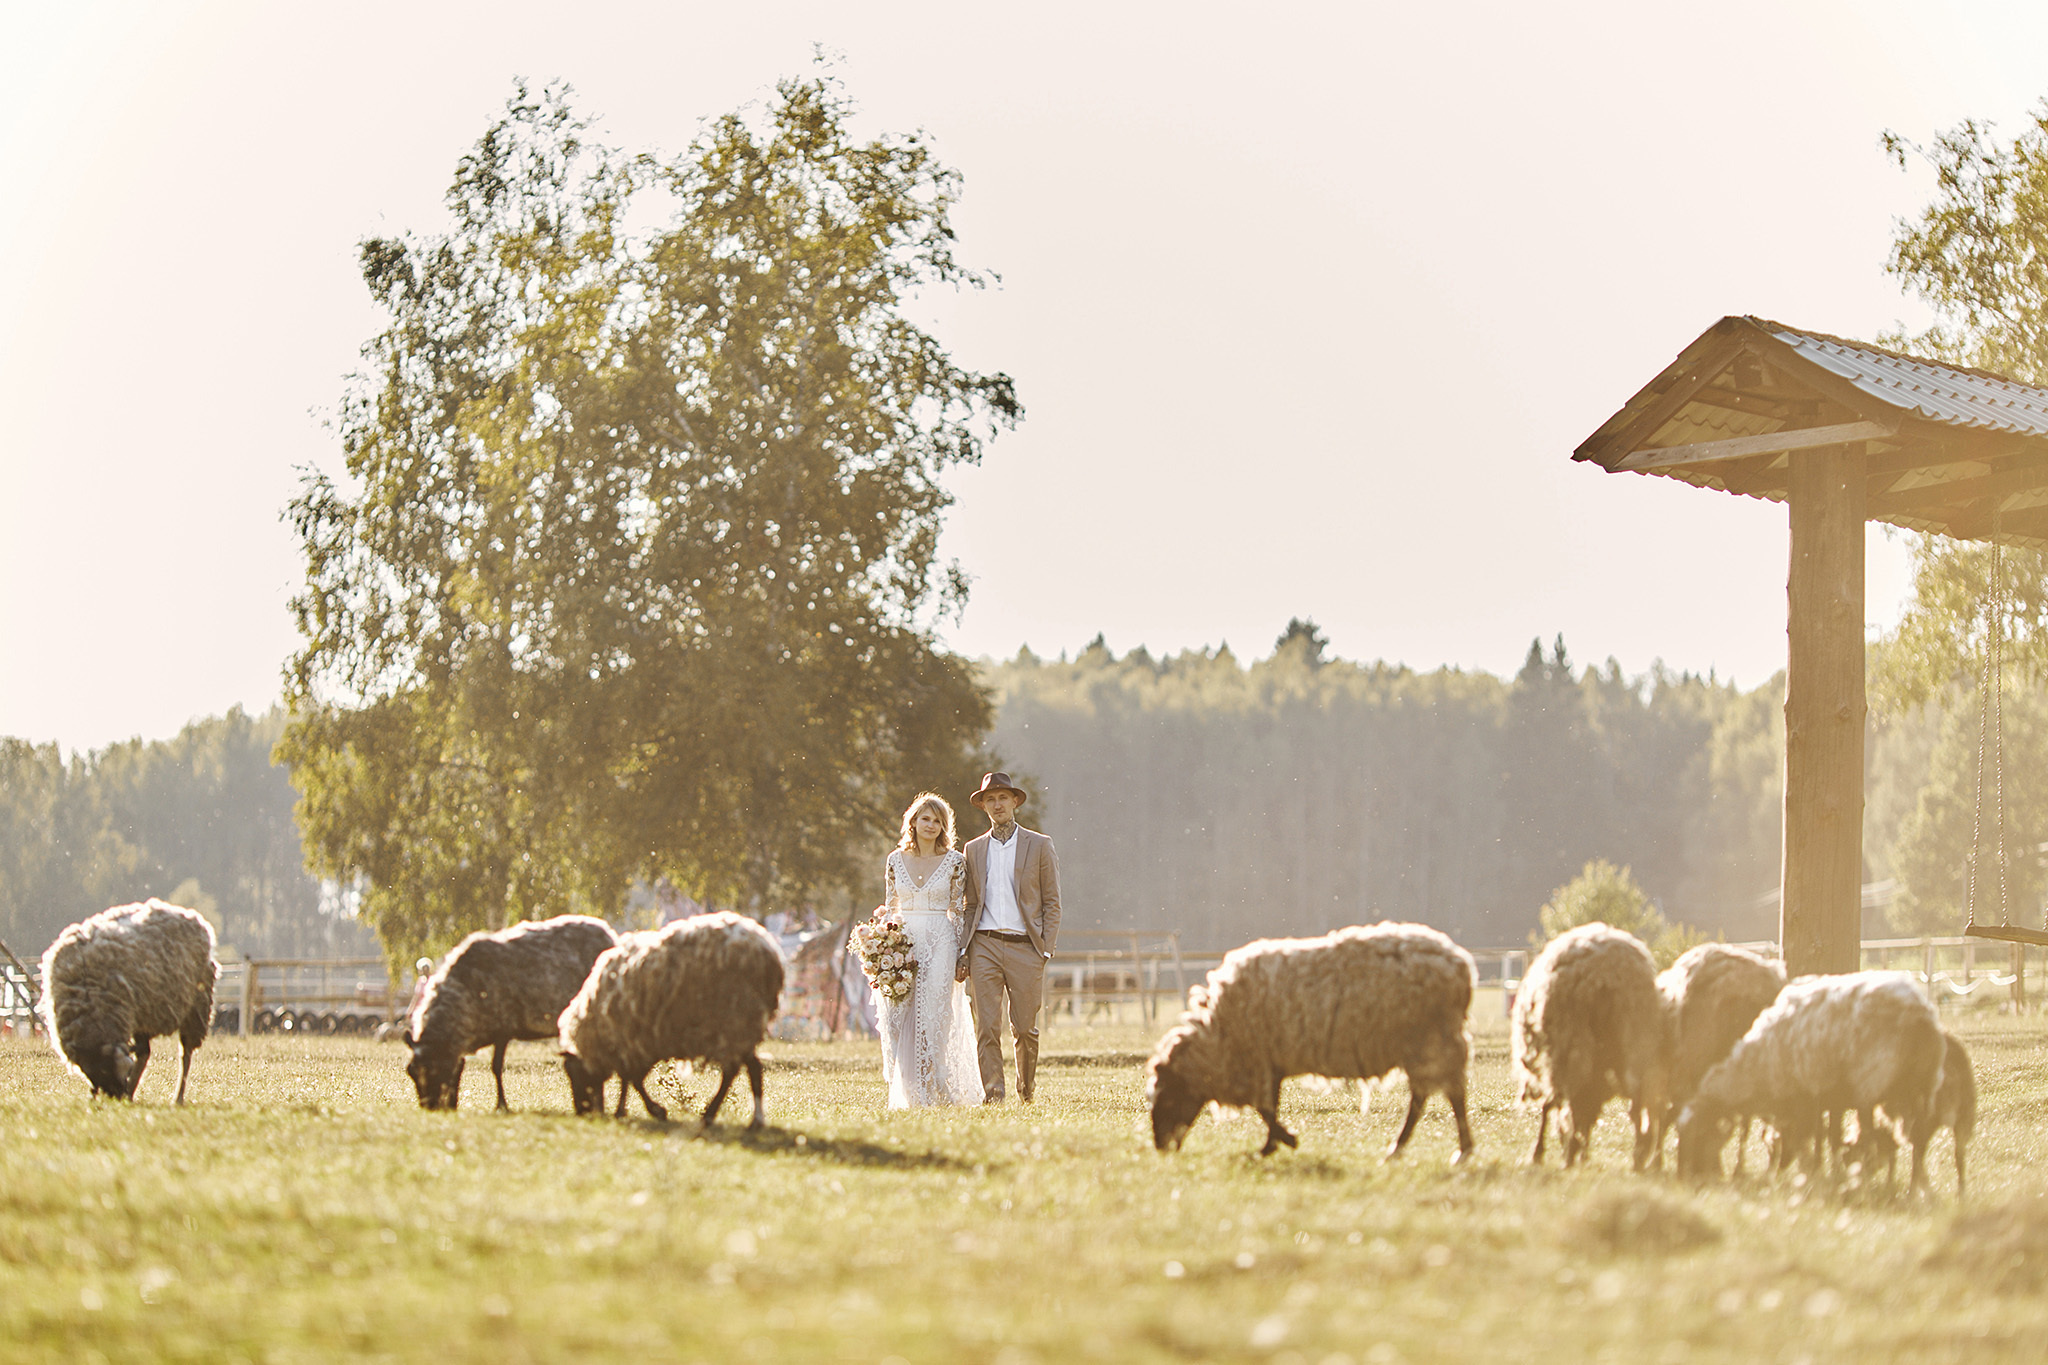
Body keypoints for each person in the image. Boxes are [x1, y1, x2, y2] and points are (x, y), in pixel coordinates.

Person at [876, 792, 984, 1107]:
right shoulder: (895, 860)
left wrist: (961, 952)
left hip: (941, 941)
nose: (931, 825)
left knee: (935, 1017)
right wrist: (882, 947)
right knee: (899, 1016)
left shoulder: (954, 862)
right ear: (913, 821)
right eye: (926, 818)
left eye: (938, 821)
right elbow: (889, 908)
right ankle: (910, 1089)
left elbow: (958, 910)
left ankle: (936, 1085)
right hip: (903, 944)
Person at [960, 772, 1061, 1103]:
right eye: (990, 799)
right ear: (983, 806)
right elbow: (970, 904)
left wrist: (1044, 949)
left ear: (1015, 801)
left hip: (1025, 947)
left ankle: (1026, 1091)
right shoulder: (973, 849)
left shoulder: (1040, 845)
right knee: (987, 1026)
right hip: (984, 945)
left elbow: (1052, 903)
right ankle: (994, 1093)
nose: (997, 804)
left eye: (1003, 797)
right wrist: (965, 949)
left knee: (1024, 1028)